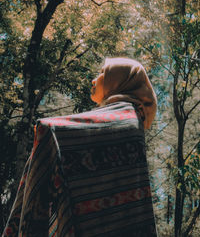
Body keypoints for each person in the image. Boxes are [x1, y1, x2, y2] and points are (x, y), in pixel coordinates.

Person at [2, 57, 157, 237]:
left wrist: (49, 131)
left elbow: (60, 131)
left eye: (102, 74)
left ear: (118, 81)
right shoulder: (130, 116)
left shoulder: (127, 118)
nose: (94, 80)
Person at [91, 57, 157, 130]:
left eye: (102, 72)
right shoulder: (132, 121)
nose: (93, 81)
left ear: (118, 81)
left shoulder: (123, 120)